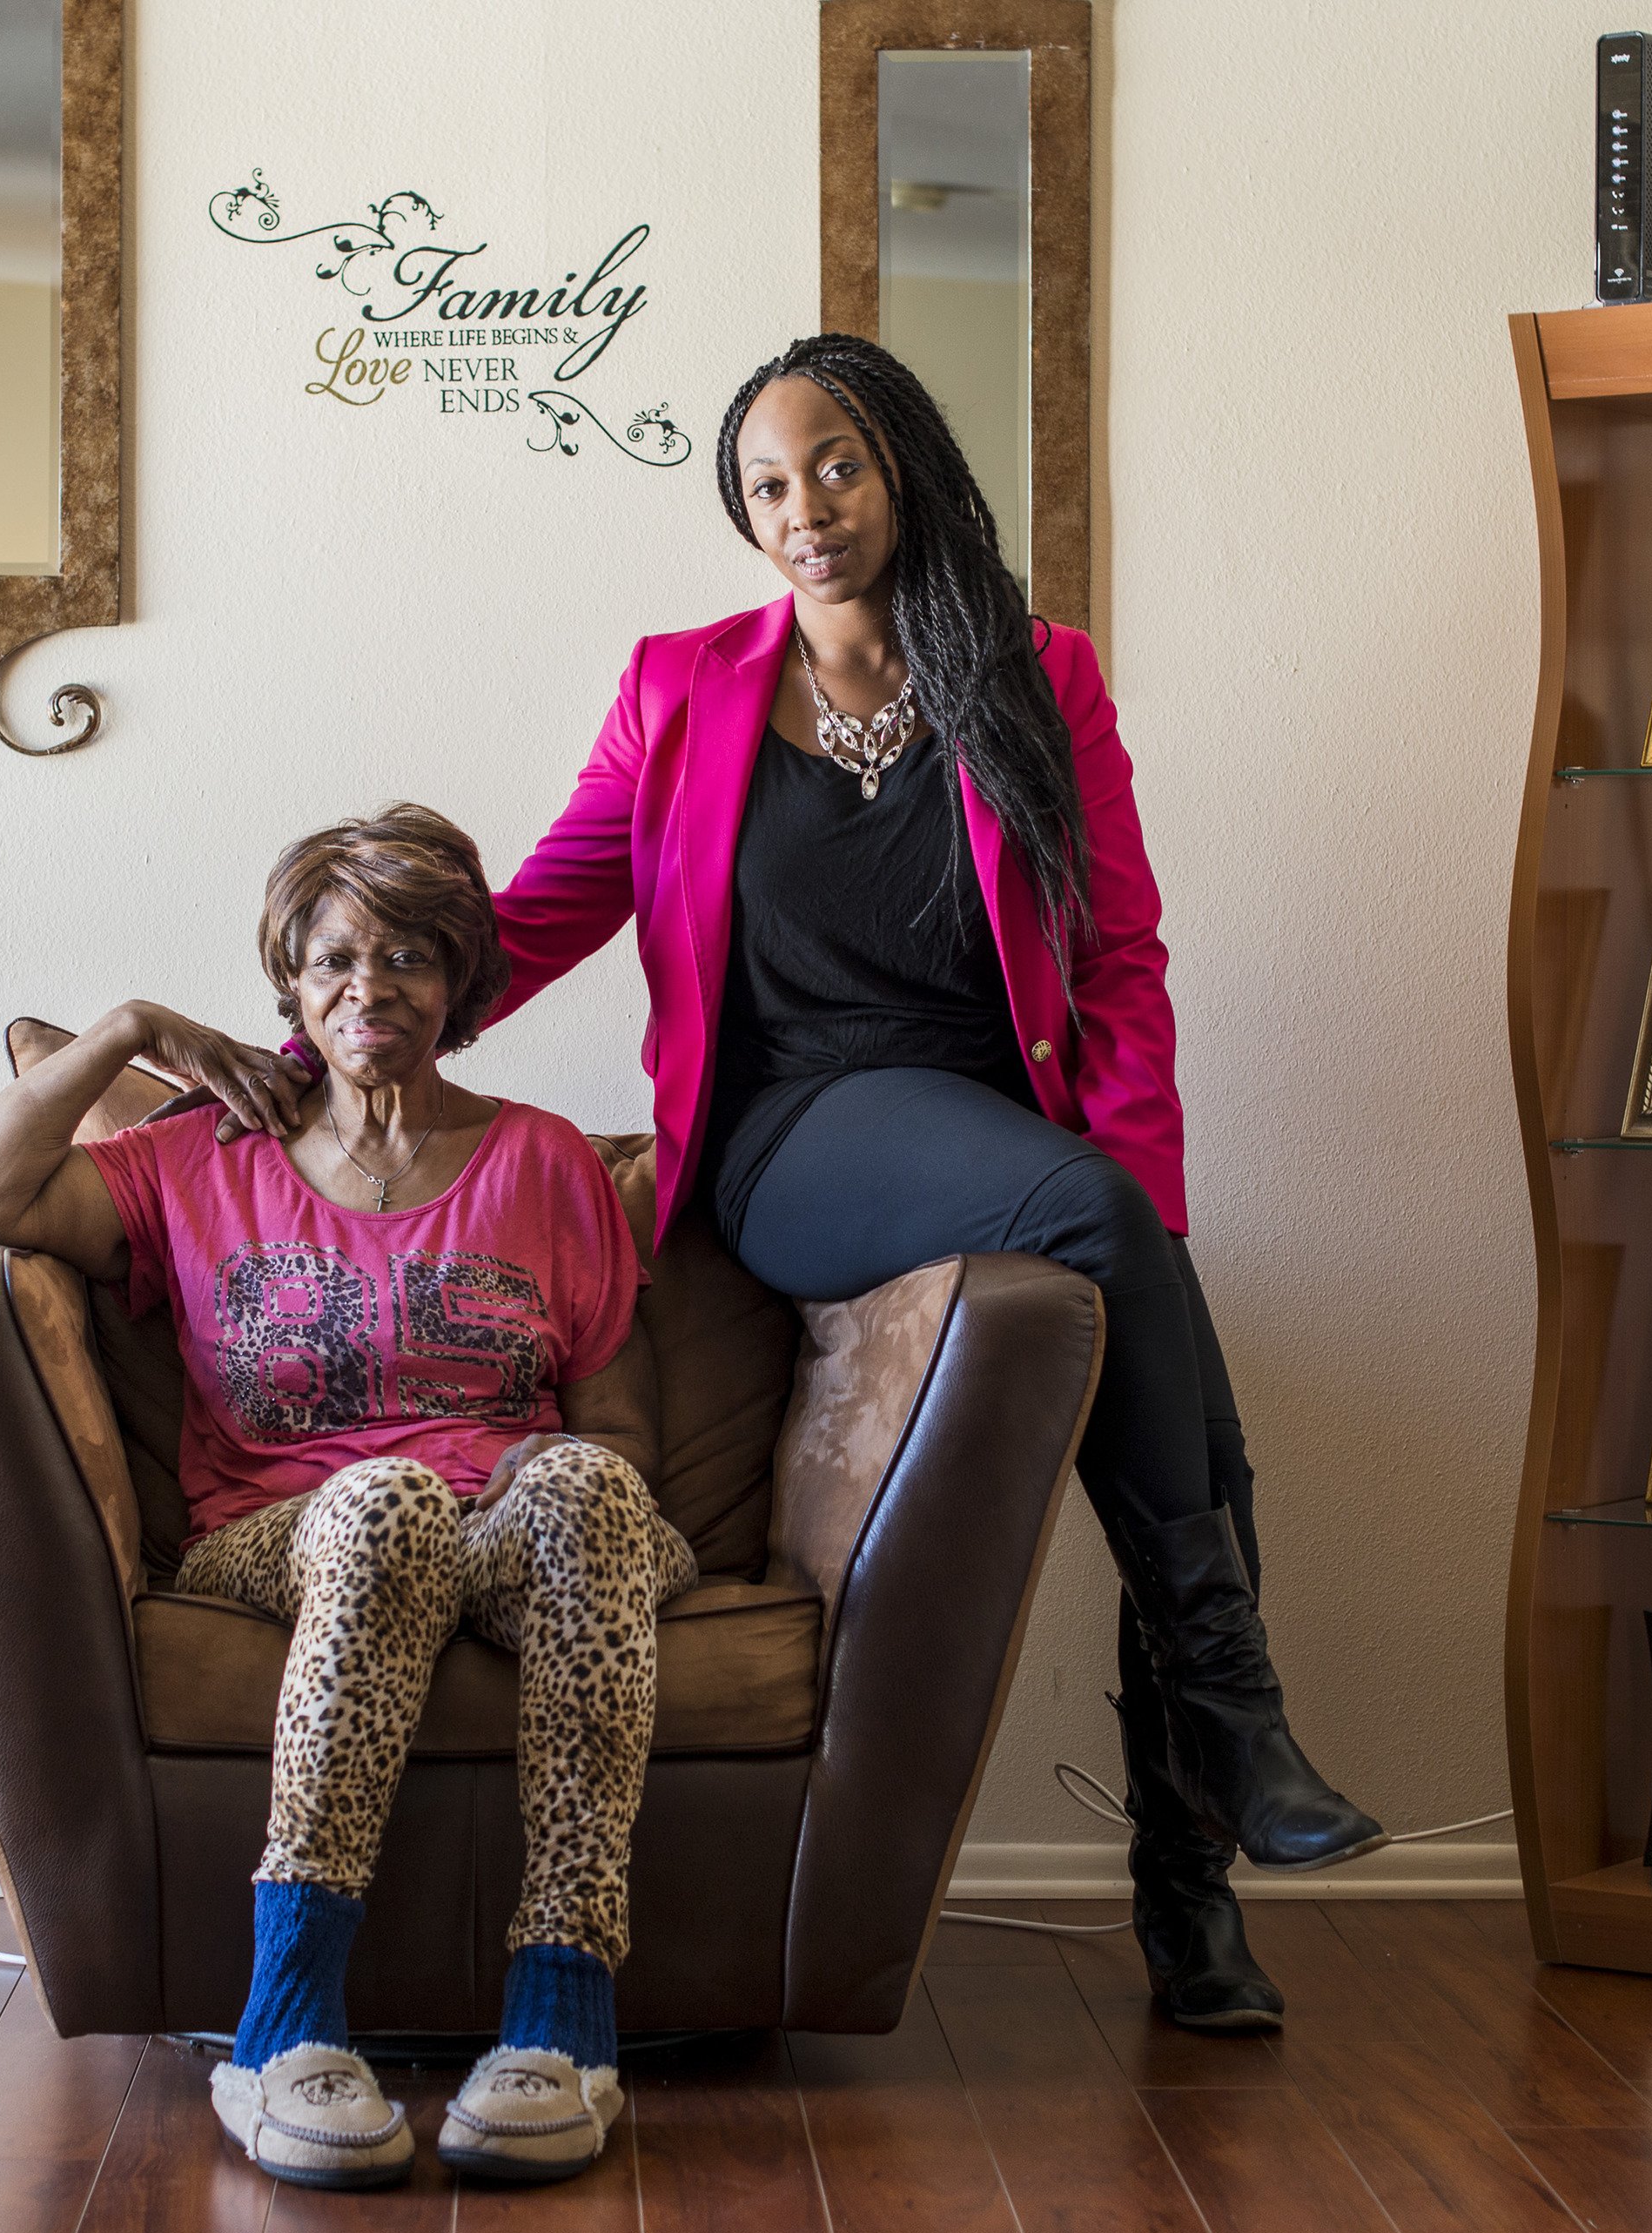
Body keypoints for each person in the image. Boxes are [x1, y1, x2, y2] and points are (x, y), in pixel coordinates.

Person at [476, 333, 1381, 2035]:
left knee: (1189, 1408)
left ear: (898, 471)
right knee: (1101, 1230)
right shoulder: (681, 688)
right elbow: (534, 918)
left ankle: (1187, 1908)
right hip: (794, 1145)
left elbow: (1116, 959)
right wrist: (315, 1046)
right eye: (764, 484)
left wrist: (1149, 1228)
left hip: (998, 1145)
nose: (802, 509)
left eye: (832, 466)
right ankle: (1237, 1735)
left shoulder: (1033, 681)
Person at [0, 805, 688, 2192]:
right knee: (384, 1504)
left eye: (406, 959)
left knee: (584, 1490)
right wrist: (134, 1027)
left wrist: (557, 1462)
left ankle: (562, 2018)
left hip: (507, 1531)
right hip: (290, 1535)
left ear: (458, 985)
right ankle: (284, 2028)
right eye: (333, 959)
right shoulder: (200, 1155)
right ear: (289, 984)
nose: (367, 989)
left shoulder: (549, 1159)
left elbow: (622, 1426)